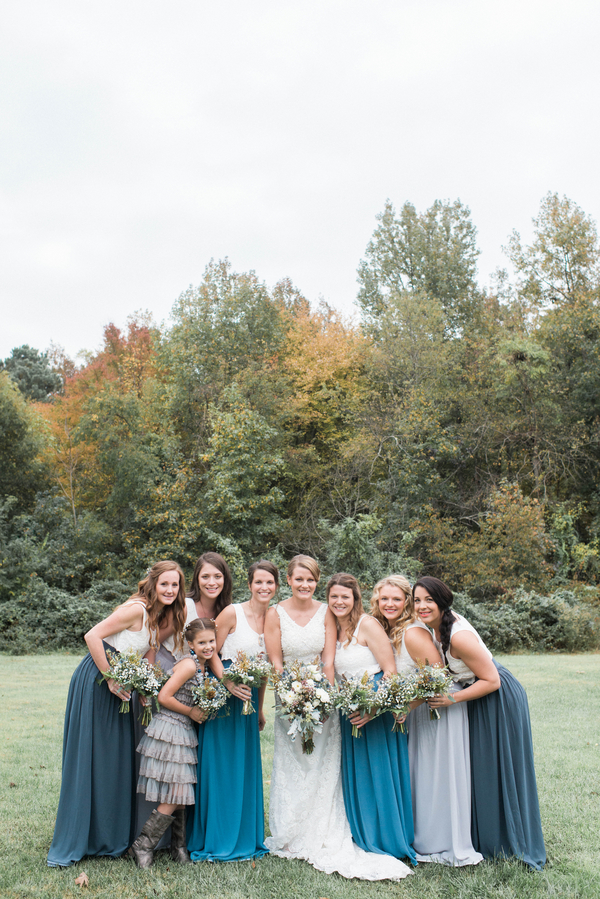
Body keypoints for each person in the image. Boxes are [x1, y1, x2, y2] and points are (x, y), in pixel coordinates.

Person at [264, 554, 411, 881]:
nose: (304, 584)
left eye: (310, 579)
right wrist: (291, 696)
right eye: (299, 579)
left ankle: (325, 826)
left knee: (323, 767)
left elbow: (329, 663)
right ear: (288, 579)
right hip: (288, 700)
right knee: (292, 765)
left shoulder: (325, 613)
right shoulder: (275, 614)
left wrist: (322, 699)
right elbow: (276, 663)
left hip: (325, 700)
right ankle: (290, 830)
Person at [47, 561, 187, 868]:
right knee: (94, 755)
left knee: (115, 760)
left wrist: (148, 692)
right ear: (153, 583)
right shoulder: (136, 608)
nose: (170, 590)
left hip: (124, 685)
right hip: (98, 680)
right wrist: (110, 676)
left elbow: (149, 657)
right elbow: (92, 636)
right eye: (165, 583)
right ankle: (82, 835)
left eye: (175, 585)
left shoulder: (157, 617)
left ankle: (107, 834)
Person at [414, 576, 546, 870]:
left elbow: (493, 680)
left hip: (496, 698)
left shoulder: (458, 635)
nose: (422, 606)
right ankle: (487, 836)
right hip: (476, 697)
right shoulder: (433, 629)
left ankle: (515, 840)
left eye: (428, 600)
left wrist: (452, 700)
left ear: (442, 602)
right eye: (417, 601)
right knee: (483, 770)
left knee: (503, 767)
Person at [371, 574, 483, 867]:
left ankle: (443, 842)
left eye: (398, 599)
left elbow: (438, 678)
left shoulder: (413, 632)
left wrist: (408, 705)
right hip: (418, 712)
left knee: (439, 777)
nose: (390, 604)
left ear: (406, 602)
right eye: (385, 599)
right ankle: (423, 837)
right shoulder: (387, 630)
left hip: (437, 709)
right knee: (422, 776)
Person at [187, 561, 276, 861]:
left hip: (248, 703)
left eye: (270, 583)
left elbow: (262, 671)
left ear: (277, 586)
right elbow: (212, 651)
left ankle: (244, 837)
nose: (264, 588)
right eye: (258, 582)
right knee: (221, 768)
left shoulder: (274, 618)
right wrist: (226, 682)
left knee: (244, 769)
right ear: (249, 584)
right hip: (224, 698)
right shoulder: (231, 613)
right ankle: (216, 837)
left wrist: (260, 709)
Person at [329, 573, 416, 864]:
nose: (339, 602)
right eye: (334, 596)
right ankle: (365, 832)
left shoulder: (368, 624)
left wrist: (373, 709)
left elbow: (390, 670)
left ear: (356, 599)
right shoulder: (334, 629)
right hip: (349, 713)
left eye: (345, 596)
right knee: (359, 777)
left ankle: (390, 838)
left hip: (375, 711)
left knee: (381, 774)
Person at [131, 618, 216, 868]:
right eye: (202, 642)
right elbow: (164, 696)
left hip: (184, 730)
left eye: (211, 641)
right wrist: (190, 712)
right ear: (190, 644)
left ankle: (178, 847)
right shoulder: (189, 665)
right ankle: (143, 845)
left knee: (180, 792)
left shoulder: (202, 667)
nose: (208, 646)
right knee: (176, 792)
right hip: (171, 727)